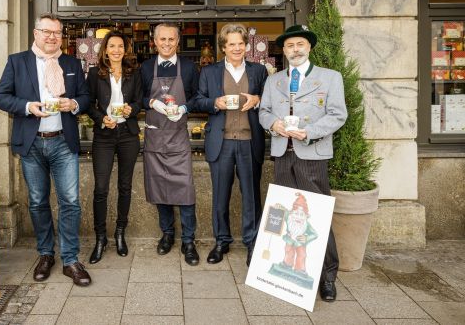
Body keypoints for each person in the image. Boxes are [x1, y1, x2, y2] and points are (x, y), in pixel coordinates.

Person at [0, 13, 91, 286]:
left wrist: (73, 104)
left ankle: (70, 260)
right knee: (37, 201)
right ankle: (46, 254)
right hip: (32, 142)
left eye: (57, 33)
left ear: (62, 36)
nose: (52, 37)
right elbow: (0, 97)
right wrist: (27, 107)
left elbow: (85, 96)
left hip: (63, 141)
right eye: (46, 31)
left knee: (70, 201)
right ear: (35, 33)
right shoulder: (17, 62)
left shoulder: (72, 63)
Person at [258, 24, 347, 302]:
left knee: (317, 215)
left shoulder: (330, 77)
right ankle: (286, 273)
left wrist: (309, 132)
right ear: (283, 51)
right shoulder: (274, 81)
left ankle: (328, 276)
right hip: (283, 152)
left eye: (300, 45)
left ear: (309, 47)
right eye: (289, 46)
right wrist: (274, 125)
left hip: (312, 153)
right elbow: (264, 111)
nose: (295, 50)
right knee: (285, 214)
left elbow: (337, 115)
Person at [195, 23, 267, 267]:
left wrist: (258, 99)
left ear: (247, 46)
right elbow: (198, 100)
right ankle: (221, 241)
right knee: (220, 196)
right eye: (231, 44)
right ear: (223, 47)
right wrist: (215, 102)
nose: (236, 48)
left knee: (251, 196)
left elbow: (269, 101)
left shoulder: (258, 71)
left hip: (249, 141)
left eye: (240, 43)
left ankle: (252, 242)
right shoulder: (210, 72)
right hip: (222, 142)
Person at [141, 23, 200, 266]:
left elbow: (198, 95)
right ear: (154, 42)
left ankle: (189, 240)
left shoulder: (188, 67)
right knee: (159, 189)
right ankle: (167, 234)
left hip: (178, 137)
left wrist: (185, 107)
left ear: (178, 41)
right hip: (155, 137)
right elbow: (138, 97)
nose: (166, 43)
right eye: (162, 39)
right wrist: (152, 103)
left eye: (171, 39)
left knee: (185, 190)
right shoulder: (145, 68)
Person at [86, 30, 142, 264]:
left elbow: (139, 99)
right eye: (112, 46)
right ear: (105, 50)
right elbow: (88, 103)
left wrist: (132, 110)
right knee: (101, 188)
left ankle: (120, 233)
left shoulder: (134, 73)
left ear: (125, 49)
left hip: (128, 135)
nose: (116, 50)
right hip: (105, 135)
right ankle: (100, 238)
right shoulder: (94, 74)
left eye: (120, 46)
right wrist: (101, 118)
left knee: (125, 186)